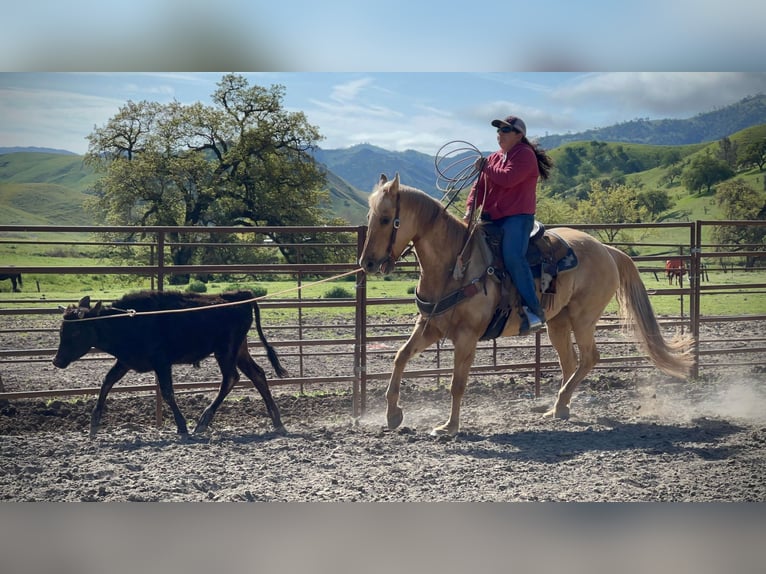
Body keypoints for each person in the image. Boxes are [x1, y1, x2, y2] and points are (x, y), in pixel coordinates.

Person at [464, 115, 553, 332]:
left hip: (517, 218)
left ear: (518, 135)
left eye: (505, 131)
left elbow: (508, 178)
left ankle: (534, 310)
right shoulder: (494, 158)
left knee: (513, 256)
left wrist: (485, 167)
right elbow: (480, 187)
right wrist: (469, 209)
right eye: (498, 131)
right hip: (491, 217)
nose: (499, 135)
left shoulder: (525, 156)